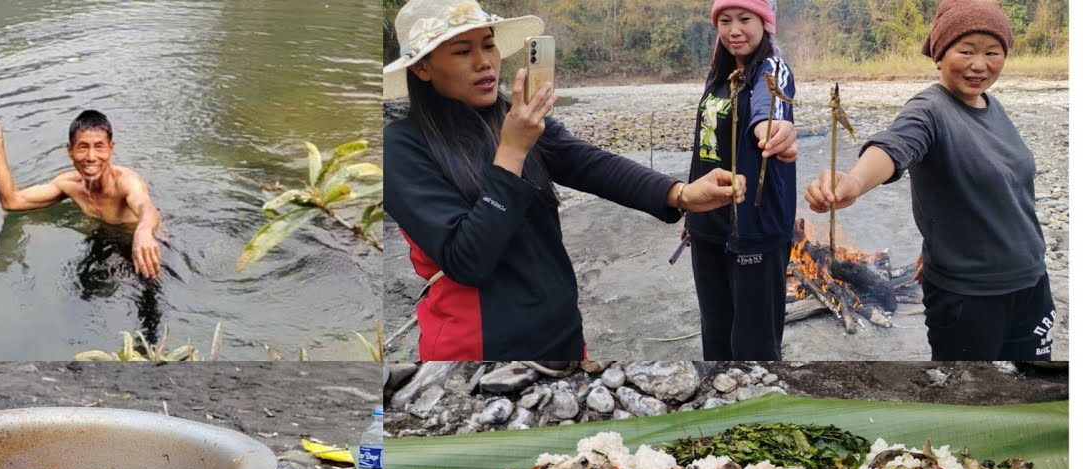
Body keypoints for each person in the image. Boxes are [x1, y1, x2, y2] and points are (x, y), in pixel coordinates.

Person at [383, 0, 749, 361]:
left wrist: (680, 193)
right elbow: (467, 260)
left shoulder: (512, 117)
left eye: (489, 44)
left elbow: (588, 163)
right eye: (463, 51)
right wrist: (511, 152)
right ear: (422, 68)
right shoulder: (403, 147)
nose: (485, 61)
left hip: (561, 332)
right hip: (478, 346)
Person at [804, 0, 1053, 360]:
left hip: (1031, 284)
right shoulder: (930, 109)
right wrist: (854, 182)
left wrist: (943, 237)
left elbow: (997, 193)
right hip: (970, 298)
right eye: (965, 51)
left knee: (1029, 395)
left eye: (993, 52)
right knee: (969, 398)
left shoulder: (991, 106)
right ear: (939, 55)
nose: (979, 64)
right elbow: (894, 146)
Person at [683, 0, 799, 361]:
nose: (734, 30)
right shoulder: (718, 74)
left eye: (745, 19)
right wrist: (691, 211)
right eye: (725, 20)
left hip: (755, 224)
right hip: (708, 224)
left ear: (765, 23)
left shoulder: (773, 70)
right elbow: (705, 148)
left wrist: (775, 132)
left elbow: (770, 111)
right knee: (715, 336)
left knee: (754, 345)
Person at [0, 109, 164, 280]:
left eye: (99, 147)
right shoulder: (69, 185)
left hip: (147, 248)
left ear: (111, 148)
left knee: (150, 308)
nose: (91, 157)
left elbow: (146, 207)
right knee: (84, 288)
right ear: (70, 151)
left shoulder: (126, 182)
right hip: (102, 239)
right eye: (83, 147)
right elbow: (12, 202)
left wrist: (144, 231)